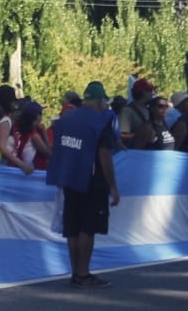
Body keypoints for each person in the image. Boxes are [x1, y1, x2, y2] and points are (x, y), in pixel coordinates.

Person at [46, 80, 119, 289]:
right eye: (104, 102)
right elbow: (104, 155)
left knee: (73, 227)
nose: (105, 107)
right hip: (91, 180)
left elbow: (58, 147)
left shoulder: (66, 118)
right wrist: (113, 186)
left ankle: (75, 272)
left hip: (69, 178)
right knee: (88, 227)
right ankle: (83, 273)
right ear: (98, 103)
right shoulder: (100, 122)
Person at [14, 99, 53, 170]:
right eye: (41, 114)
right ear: (37, 117)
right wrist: (44, 133)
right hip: (31, 173)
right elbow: (49, 154)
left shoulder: (19, 128)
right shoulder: (34, 136)